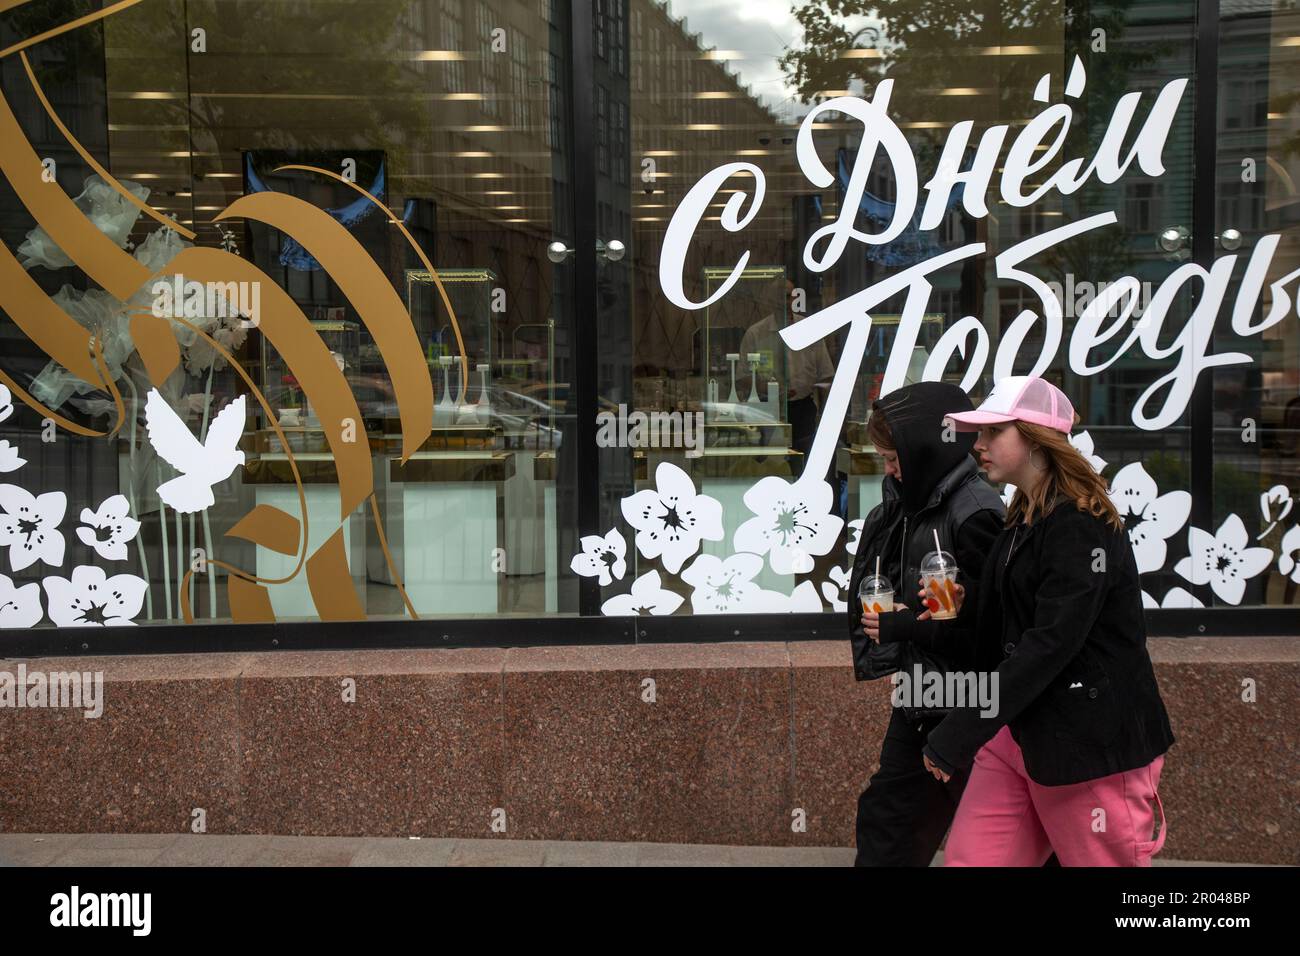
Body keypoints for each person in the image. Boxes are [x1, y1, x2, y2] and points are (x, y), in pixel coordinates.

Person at [873, 375, 1176, 866]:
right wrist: (963, 603)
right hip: (1017, 735)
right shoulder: (1023, 516)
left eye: (995, 433)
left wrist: (958, 732)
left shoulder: (1081, 524)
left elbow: (1049, 646)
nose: (980, 445)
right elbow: (1009, 621)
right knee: (972, 859)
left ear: (1035, 439)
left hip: (1089, 745)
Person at [847, 381, 1005, 866]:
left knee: (902, 824)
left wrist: (906, 628)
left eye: (895, 459)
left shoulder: (974, 513)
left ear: (925, 450)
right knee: (889, 820)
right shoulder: (918, 498)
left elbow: (987, 632)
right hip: (925, 689)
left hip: (960, 699)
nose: (890, 470)